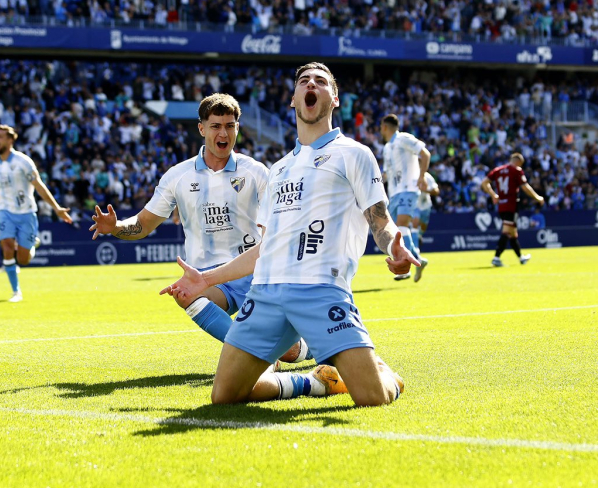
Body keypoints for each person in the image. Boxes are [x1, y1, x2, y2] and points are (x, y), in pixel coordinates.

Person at [161, 63, 417, 407]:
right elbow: (265, 249)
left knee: (373, 398)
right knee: (226, 396)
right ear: (294, 100)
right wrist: (205, 280)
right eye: (303, 81)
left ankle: (383, 372)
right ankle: (316, 382)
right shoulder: (278, 170)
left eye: (321, 81)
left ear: (334, 98)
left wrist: (393, 247)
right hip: (266, 294)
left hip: (320, 290)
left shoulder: (354, 154)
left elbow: (380, 220)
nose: (311, 84)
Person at [91, 94, 311, 363]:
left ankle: (305, 347)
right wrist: (116, 227)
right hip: (207, 277)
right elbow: (142, 224)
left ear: (237, 129)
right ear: (201, 128)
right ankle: (252, 356)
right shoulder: (178, 176)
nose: (223, 132)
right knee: (186, 294)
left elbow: (273, 234)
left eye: (230, 125)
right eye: (216, 125)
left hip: (253, 273)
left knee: (290, 353)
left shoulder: (255, 172)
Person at [0, 125, 72, 302]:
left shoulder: (23, 162)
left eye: (1, 137)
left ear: (11, 140)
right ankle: (16, 291)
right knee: (6, 246)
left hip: (26, 213)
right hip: (5, 212)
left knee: (24, 259)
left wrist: (56, 208)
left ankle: (32, 245)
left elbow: (39, 186)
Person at [379, 114, 431, 281]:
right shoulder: (387, 147)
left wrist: (422, 177)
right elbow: (386, 173)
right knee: (397, 232)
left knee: (402, 225)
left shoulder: (404, 138)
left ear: (385, 127)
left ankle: (408, 265)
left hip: (408, 188)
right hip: (393, 194)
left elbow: (425, 154)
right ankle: (417, 259)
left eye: (381, 127)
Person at [480, 152, 545, 266]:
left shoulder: (498, 170)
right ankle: (496, 258)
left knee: (513, 233)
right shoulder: (516, 170)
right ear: (518, 162)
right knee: (506, 231)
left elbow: (484, 182)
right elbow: (525, 187)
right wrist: (537, 197)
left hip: (502, 205)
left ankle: (521, 258)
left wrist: (493, 195)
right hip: (511, 205)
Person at [412, 170, 439, 283]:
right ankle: (417, 256)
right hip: (414, 206)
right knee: (414, 224)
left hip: (426, 207)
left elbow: (436, 191)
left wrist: (425, 190)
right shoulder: (409, 175)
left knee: (421, 230)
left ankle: (417, 239)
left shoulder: (427, 177)